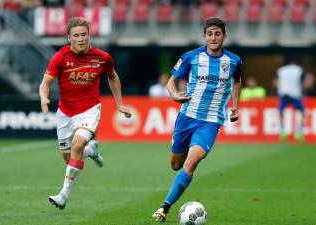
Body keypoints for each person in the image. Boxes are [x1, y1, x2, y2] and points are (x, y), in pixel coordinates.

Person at [152, 17, 242, 222]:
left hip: (210, 121)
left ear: (224, 36)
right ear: (204, 36)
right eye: (210, 33)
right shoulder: (191, 57)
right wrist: (174, 95)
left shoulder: (234, 61)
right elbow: (171, 82)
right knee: (176, 165)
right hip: (186, 117)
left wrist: (235, 106)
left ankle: (164, 208)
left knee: (191, 162)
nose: (213, 37)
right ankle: (177, 184)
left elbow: (237, 81)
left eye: (217, 33)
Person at [39, 17, 131, 210]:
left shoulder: (102, 57)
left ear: (89, 35)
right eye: (76, 35)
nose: (80, 39)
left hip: (89, 111)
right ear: (68, 37)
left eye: (83, 34)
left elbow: (113, 77)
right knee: (70, 157)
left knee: (77, 144)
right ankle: (92, 151)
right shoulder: (60, 57)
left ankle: (63, 195)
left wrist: (120, 104)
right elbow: (46, 82)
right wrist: (44, 97)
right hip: (65, 113)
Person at [273, 56, 305, 142]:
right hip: (296, 94)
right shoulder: (299, 70)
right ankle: (299, 132)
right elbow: (304, 83)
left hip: (284, 93)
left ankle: (282, 131)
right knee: (300, 111)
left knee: (281, 111)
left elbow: (275, 83)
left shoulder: (281, 70)